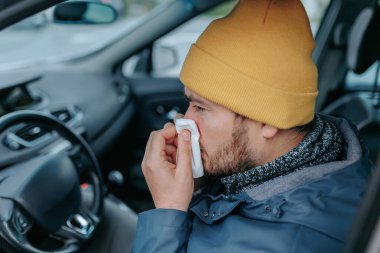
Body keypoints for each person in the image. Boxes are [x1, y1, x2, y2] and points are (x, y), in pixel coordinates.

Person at [132, 0, 373, 252]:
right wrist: (199, 183)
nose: (184, 123)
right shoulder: (269, 161)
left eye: (201, 108)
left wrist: (169, 209)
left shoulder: (289, 244)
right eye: (188, 103)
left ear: (268, 121)